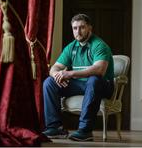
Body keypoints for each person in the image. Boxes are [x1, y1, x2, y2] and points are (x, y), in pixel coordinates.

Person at [42, 13, 114, 141]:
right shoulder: (71, 47)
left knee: (94, 79)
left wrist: (70, 73)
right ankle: (55, 128)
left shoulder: (99, 45)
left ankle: (85, 131)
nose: (78, 32)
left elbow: (99, 70)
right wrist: (58, 76)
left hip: (102, 85)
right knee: (49, 82)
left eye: (82, 27)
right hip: (80, 84)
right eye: (75, 28)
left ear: (90, 28)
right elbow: (54, 68)